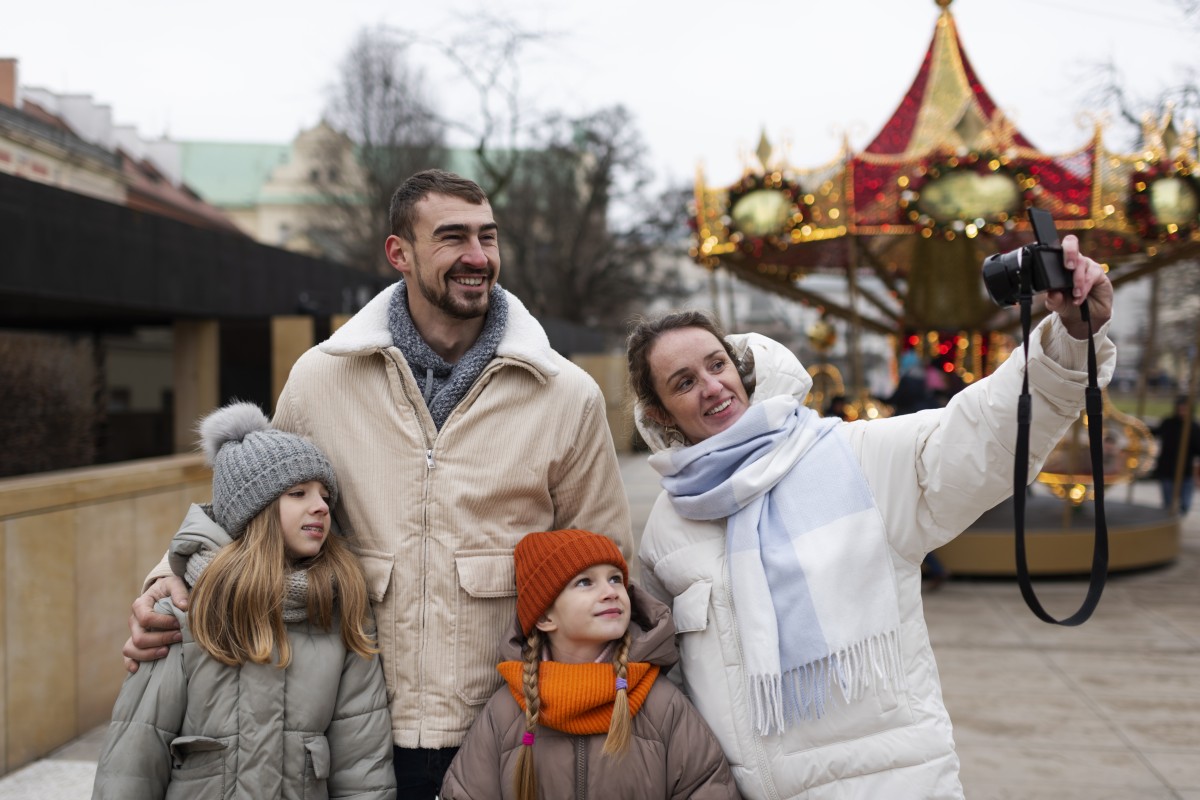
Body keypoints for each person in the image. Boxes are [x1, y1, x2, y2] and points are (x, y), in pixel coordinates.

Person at [124, 169, 633, 798]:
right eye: (452, 238)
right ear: (400, 253)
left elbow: (608, 558)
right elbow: (251, 511)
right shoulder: (322, 377)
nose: (478, 257)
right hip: (349, 728)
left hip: (509, 727)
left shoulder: (566, 393)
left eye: (488, 237)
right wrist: (169, 574)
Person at [624, 235, 1114, 799]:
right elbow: (672, 683)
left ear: (740, 369)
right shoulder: (668, 523)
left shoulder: (854, 456)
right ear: (660, 411)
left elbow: (980, 430)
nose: (713, 388)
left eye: (717, 365)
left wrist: (1072, 339)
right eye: (685, 382)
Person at [93, 402, 395, 799]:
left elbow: (362, 762)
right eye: (299, 493)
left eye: (324, 495)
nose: (321, 506)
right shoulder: (184, 615)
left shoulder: (341, 610)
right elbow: (133, 761)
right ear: (256, 510)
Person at [440, 529, 742, 800]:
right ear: (544, 617)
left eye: (615, 578)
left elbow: (707, 785)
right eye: (585, 582)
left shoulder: (660, 703)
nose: (610, 591)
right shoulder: (506, 711)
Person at [1152, 395, 1200, 514]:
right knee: (1168, 504)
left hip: (1185, 470)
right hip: (1167, 468)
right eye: (1181, 408)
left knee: (1185, 504)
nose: (1183, 411)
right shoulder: (1168, 423)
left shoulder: (1194, 427)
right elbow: (1155, 433)